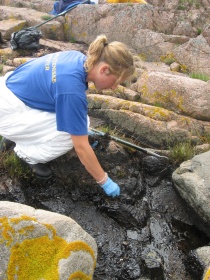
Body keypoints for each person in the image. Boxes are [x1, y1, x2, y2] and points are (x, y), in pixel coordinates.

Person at [0, 34, 135, 197]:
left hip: (12, 91)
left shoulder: (77, 57)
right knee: (68, 137)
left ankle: (20, 134)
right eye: (116, 81)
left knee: (81, 123)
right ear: (104, 70)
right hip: (10, 109)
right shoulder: (72, 91)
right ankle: (25, 153)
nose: (114, 88)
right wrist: (104, 181)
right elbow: (81, 148)